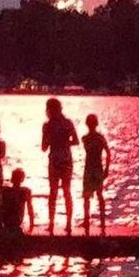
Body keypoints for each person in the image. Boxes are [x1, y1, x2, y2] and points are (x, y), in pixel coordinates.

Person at [42, 97, 79, 235]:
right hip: (66, 159)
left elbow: (44, 147)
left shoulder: (47, 126)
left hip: (55, 160)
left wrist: (54, 141)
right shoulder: (68, 123)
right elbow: (75, 141)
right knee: (66, 191)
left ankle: (51, 224)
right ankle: (68, 224)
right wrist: (65, 142)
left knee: (53, 192)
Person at [81, 114, 111, 236]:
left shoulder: (95, 138)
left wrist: (107, 169)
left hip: (94, 169)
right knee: (90, 196)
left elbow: (108, 153)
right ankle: (88, 221)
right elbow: (108, 153)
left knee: (95, 195)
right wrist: (107, 168)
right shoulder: (87, 138)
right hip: (92, 169)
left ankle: (99, 221)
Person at [0, 168, 34, 235]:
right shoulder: (25, 191)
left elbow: (0, 208)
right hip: (15, 221)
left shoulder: (6, 190)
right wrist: (32, 225)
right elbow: (30, 209)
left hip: (7, 221)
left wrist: (0, 224)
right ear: (22, 179)